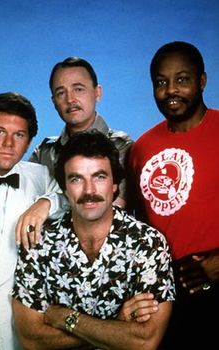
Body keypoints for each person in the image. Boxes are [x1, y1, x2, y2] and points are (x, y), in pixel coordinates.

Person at [12, 130, 175, 350]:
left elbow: (144, 341)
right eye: (76, 179)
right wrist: (114, 326)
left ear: (115, 185)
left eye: (99, 177)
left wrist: (67, 319)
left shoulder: (148, 244)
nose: (89, 191)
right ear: (64, 189)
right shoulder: (39, 242)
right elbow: (32, 339)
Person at [129, 41, 219, 349]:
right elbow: (138, 223)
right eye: (161, 83)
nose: (171, 90)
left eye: (182, 79)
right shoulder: (141, 148)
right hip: (167, 294)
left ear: (202, 81)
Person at [16, 57, 133, 248]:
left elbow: (102, 209)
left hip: (111, 255)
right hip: (49, 263)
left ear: (97, 93)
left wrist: (48, 202)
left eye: (78, 89)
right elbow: (20, 204)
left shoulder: (123, 147)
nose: (70, 99)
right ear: (53, 101)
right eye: (61, 93)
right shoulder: (44, 152)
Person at [0, 92, 63, 350]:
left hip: (18, 330)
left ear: (29, 143)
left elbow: (72, 197)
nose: (9, 143)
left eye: (19, 135)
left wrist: (46, 203)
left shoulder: (39, 175)